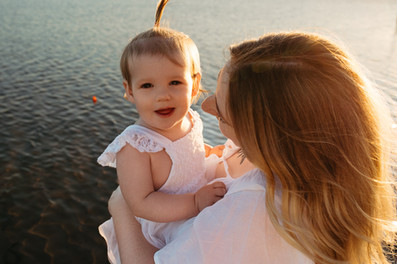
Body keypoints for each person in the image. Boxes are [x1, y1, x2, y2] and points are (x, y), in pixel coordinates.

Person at [108, 31, 397, 264]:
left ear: (268, 137)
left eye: (221, 112)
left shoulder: (252, 209)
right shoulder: (318, 182)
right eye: (147, 85)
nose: (205, 107)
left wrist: (121, 206)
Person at [97, 0, 226, 262]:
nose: (163, 96)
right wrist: (194, 203)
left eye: (175, 82)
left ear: (194, 84)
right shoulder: (135, 145)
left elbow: (189, 150)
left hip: (197, 198)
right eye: (147, 86)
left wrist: (209, 151)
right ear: (129, 90)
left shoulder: (190, 117)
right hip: (162, 227)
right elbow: (141, 202)